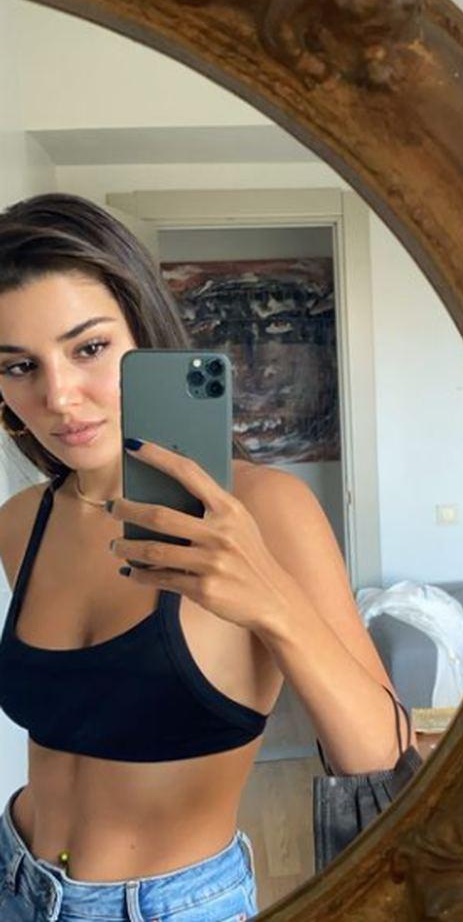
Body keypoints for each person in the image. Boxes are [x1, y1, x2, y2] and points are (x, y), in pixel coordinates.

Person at [0, 192, 414, 921]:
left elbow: (380, 758)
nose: (58, 396)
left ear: (146, 337)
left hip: (171, 907)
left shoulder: (265, 508)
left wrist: (271, 602)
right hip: (13, 876)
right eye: (19, 365)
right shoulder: (21, 521)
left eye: (89, 348)